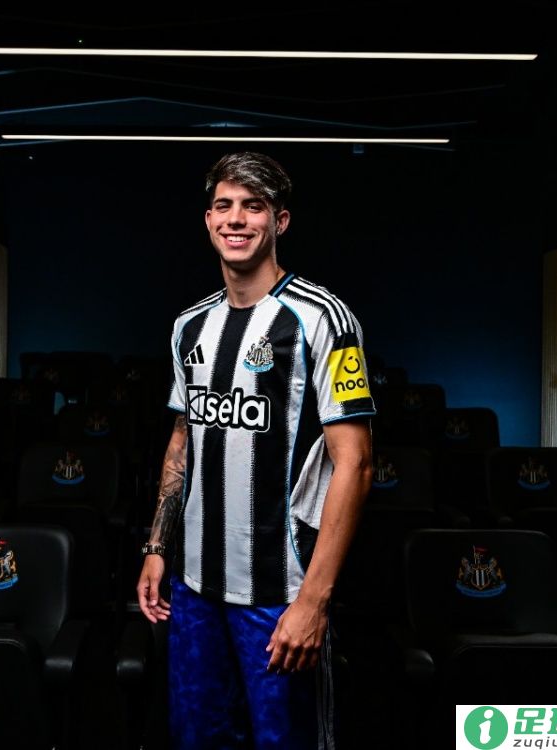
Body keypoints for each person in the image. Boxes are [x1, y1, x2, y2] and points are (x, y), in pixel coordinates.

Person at [136, 151, 375, 749]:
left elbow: (356, 462)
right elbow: (182, 440)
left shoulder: (323, 318)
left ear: (280, 221)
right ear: (208, 220)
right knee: (198, 738)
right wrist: (158, 547)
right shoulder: (189, 326)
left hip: (279, 593)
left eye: (253, 206)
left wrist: (314, 601)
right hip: (195, 591)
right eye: (224, 205)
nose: (236, 219)